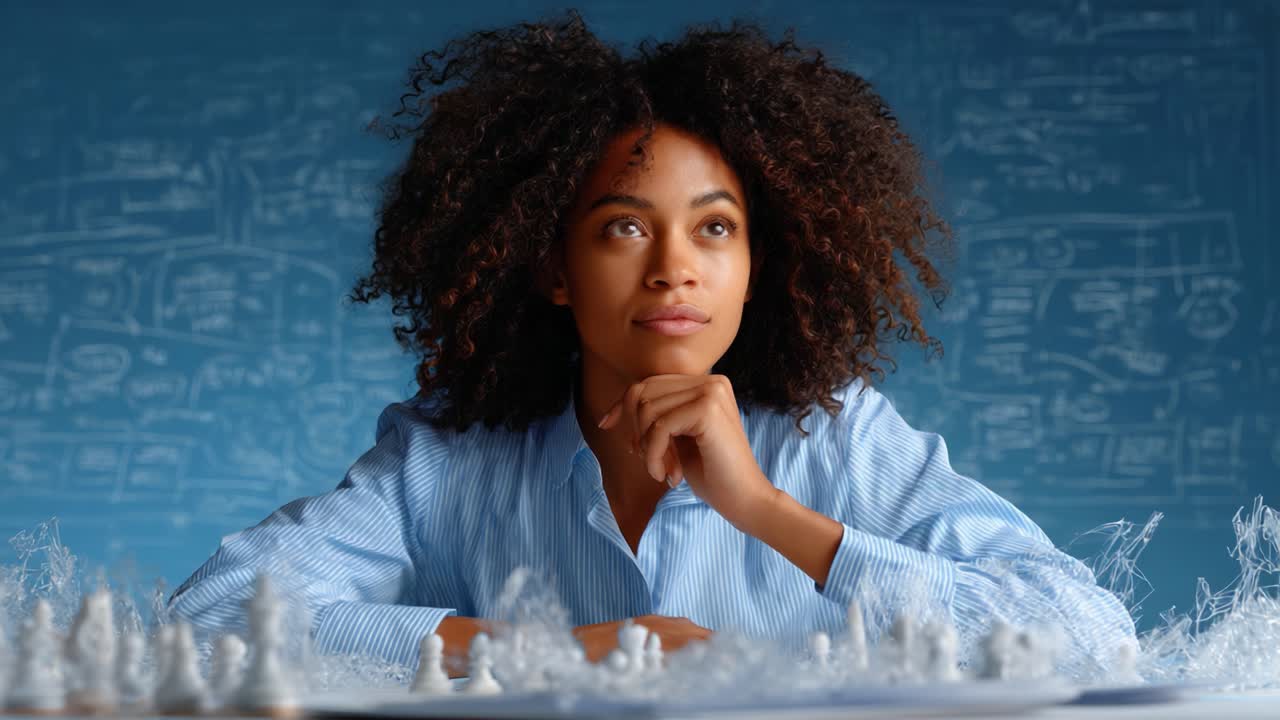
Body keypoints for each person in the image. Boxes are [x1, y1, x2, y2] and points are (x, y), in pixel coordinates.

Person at [169, 9, 1137, 678]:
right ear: (551, 267)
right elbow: (212, 617)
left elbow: (1089, 635)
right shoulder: (448, 461)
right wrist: (562, 650)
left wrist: (764, 511)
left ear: (759, 264)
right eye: (623, 228)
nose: (675, 268)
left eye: (713, 229)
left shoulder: (833, 443)